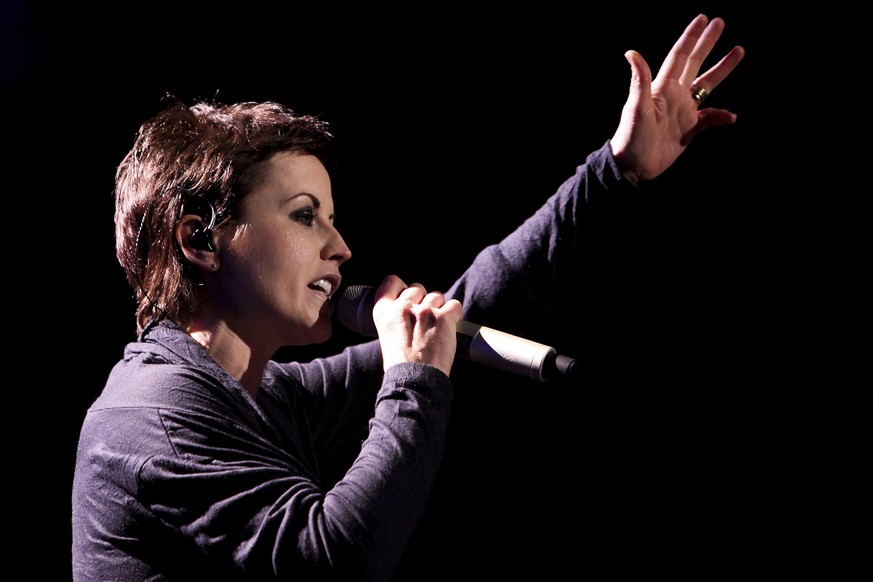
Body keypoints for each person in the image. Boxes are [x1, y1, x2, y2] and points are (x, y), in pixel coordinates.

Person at [71, 13, 745, 581]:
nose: (341, 249)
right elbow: (334, 559)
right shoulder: (152, 419)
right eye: (306, 216)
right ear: (202, 241)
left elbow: (472, 304)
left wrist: (616, 171)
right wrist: (414, 380)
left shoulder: (257, 396)